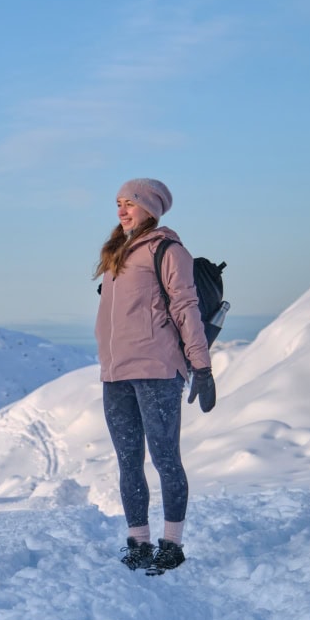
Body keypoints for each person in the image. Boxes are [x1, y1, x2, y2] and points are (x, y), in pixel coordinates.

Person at [93, 178, 216, 575]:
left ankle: (172, 544)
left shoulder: (168, 250)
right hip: (116, 375)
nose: (121, 210)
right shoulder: (117, 253)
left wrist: (202, 366)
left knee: (165, 459)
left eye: (129, 203)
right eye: (118, 203)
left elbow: (186, 308)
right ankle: (139, 543)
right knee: (128, 462)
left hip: (157, 372)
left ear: (151, 207)